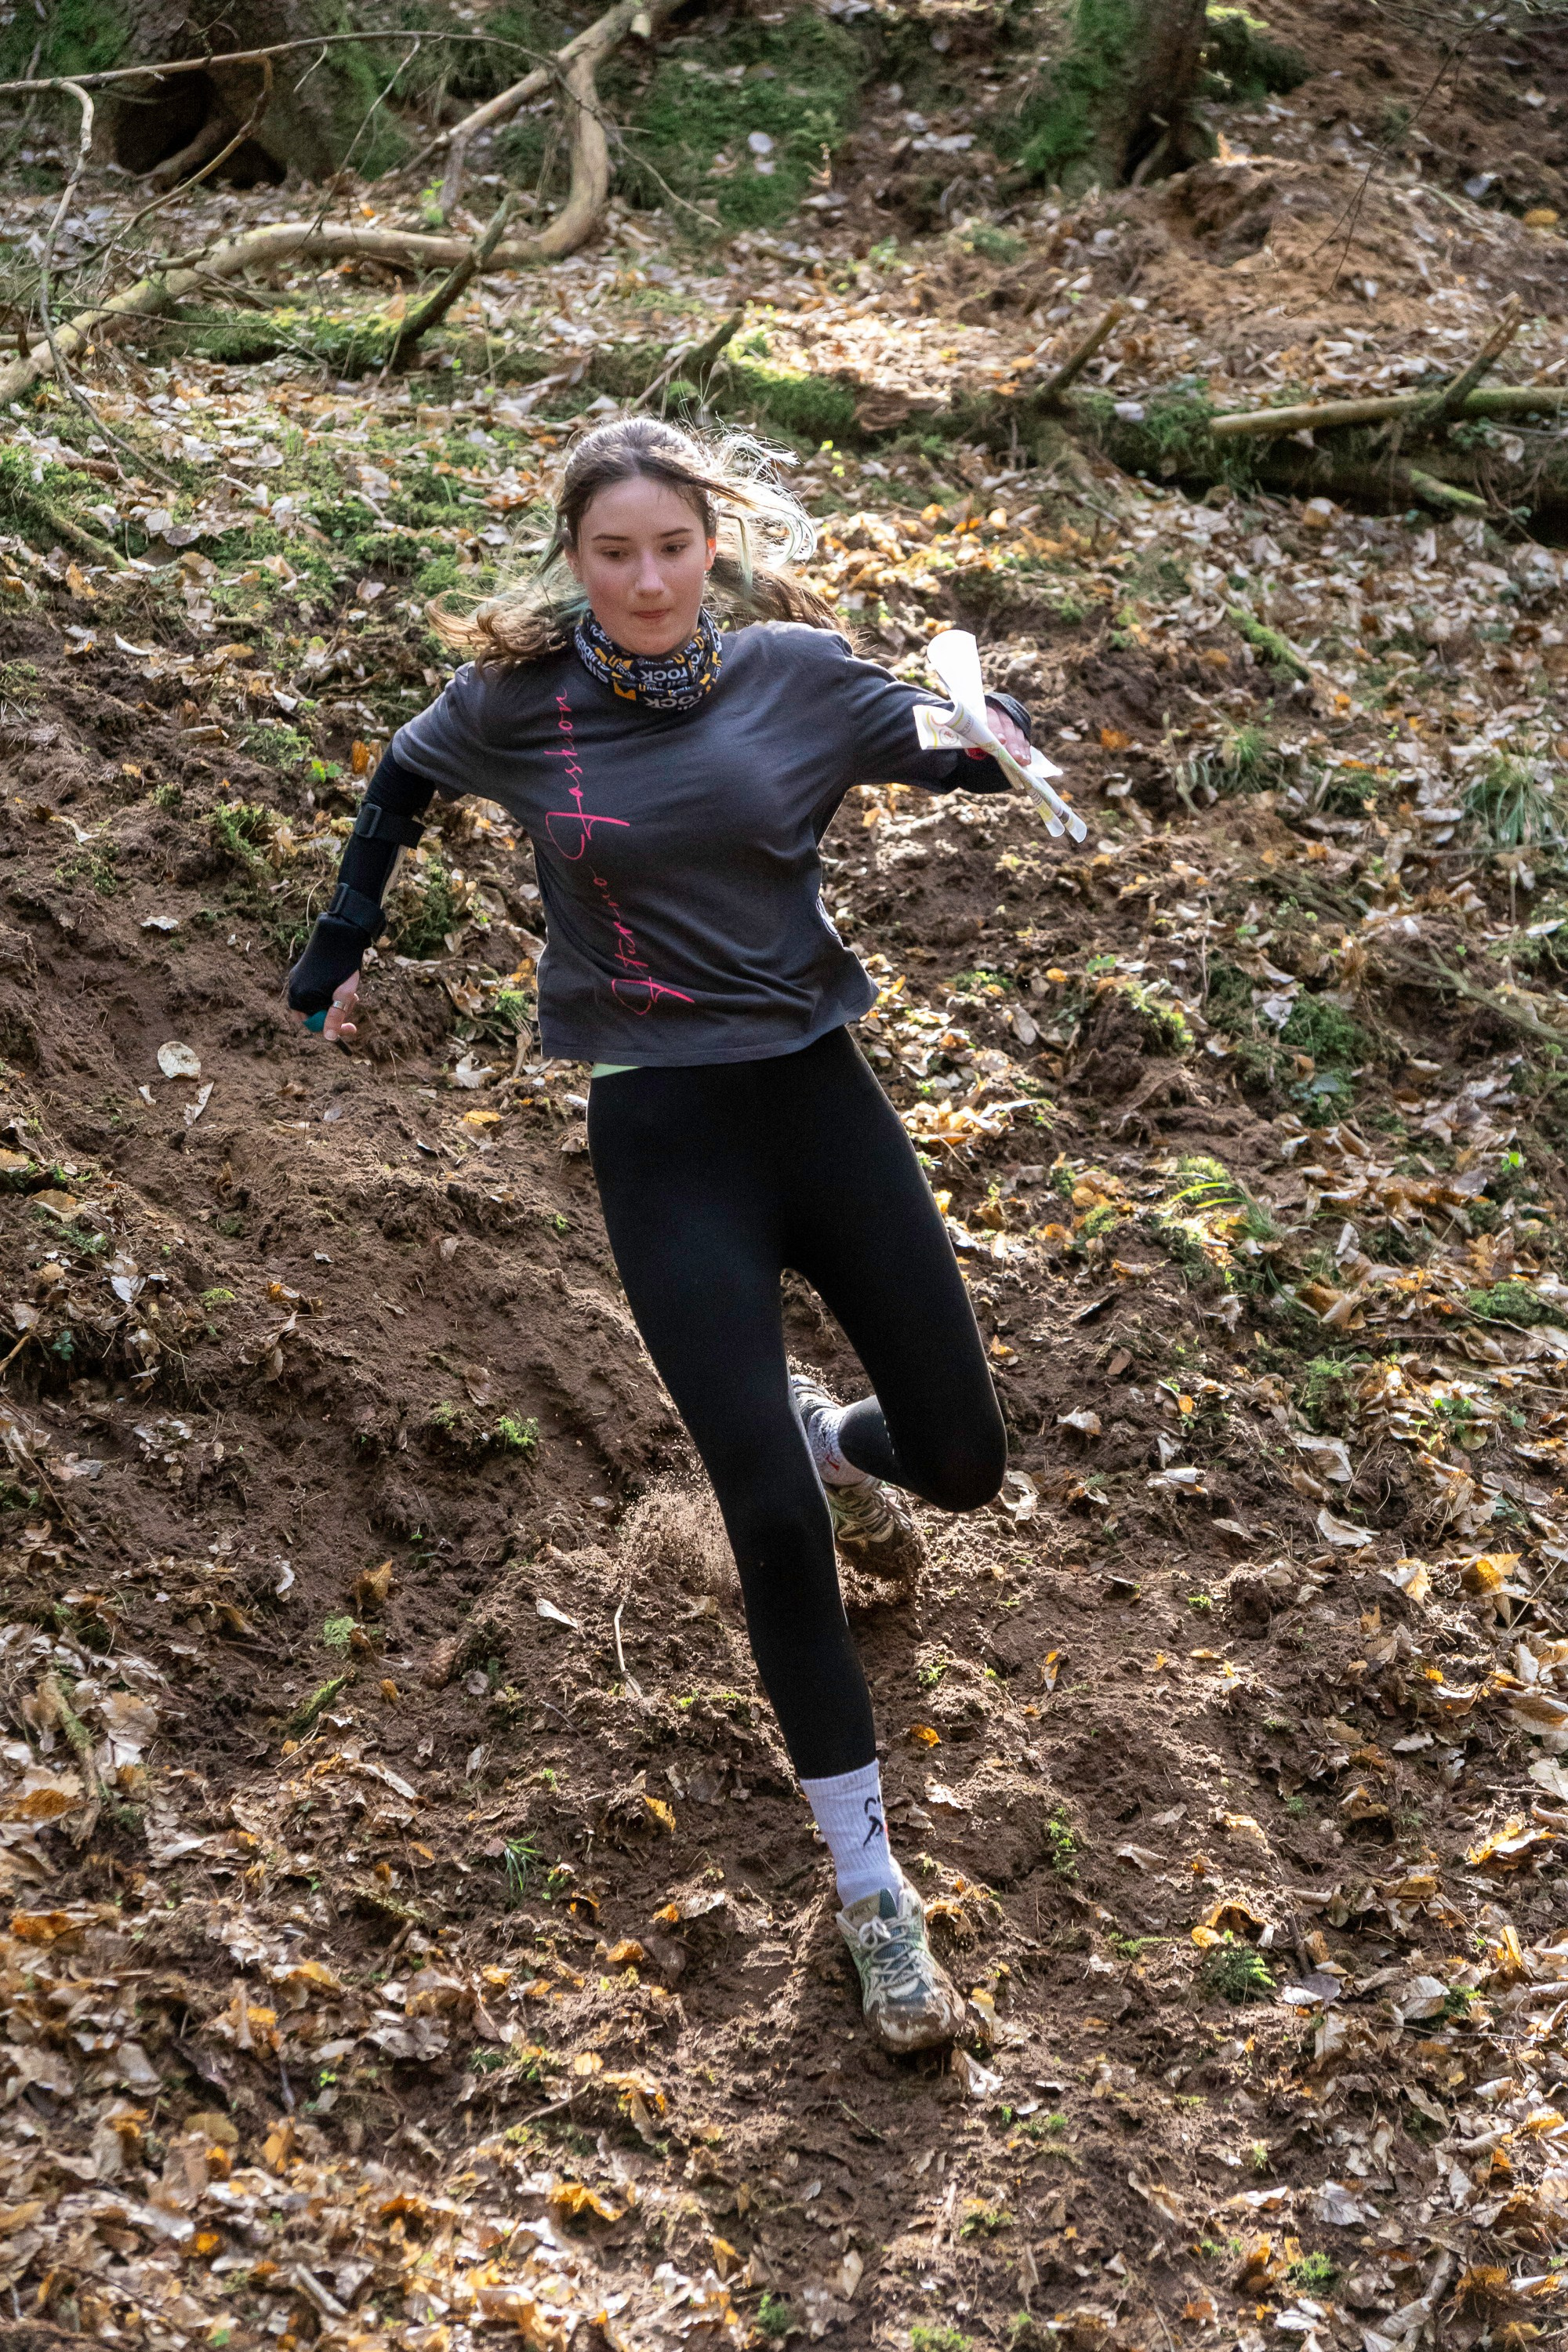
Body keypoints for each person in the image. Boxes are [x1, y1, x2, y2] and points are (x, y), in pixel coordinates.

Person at [287, 416, 1036, 2053]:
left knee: (966, 1460)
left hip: (818, 1105)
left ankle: (840, 1438)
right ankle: (872, 1899)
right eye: (611, 552)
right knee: (765, 1522)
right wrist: (347, 939)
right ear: (575, 556)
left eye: (670, 548)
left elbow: (944, 744)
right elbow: (404, 774)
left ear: (714, 546)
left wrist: (991, 735)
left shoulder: (792, 673)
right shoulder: (520, 706)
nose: (642, 579)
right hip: (661, 1130)